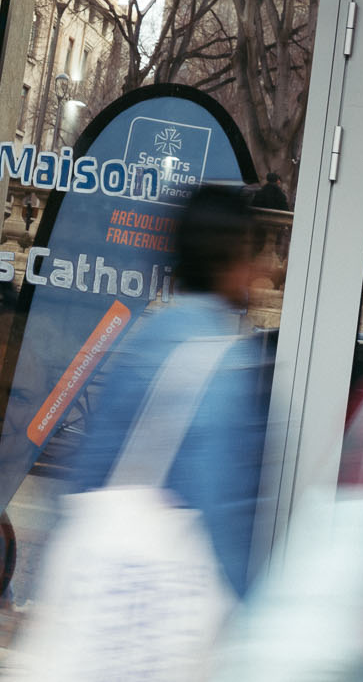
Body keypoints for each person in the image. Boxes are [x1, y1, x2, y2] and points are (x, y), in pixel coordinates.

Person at [66, 183, 275, 596]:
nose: (261, 270)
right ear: (230, 260)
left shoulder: (143, 340)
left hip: (111, 585)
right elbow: (218, 507)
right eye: (253, 255)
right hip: (177, 599)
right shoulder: (232, 366)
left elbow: (86, 473)